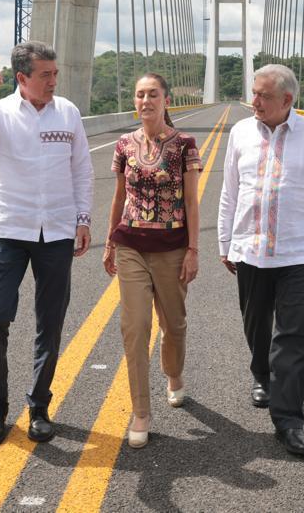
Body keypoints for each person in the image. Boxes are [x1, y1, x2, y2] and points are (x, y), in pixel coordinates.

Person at [0, 41, 93, 446]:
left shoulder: (67, 112)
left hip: (56, 230)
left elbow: (82, 169)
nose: (54, 80)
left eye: (55, 73)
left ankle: (39, 406)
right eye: (46, 75)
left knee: (49, 323)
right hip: (10, 230)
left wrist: (83, 219)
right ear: (22, 78)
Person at [217, 63, 304, 458]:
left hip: (299, 253)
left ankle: (289, 419)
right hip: (250, 250)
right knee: (256, 325)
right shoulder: (240, 133)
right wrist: (225, 241)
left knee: (296, 334)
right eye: (253, 93)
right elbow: (229, 192)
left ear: (287, 100)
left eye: (263, 95)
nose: (254, 101)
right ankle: (262, 374)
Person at [103, 73, 201, 449]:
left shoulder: (185, 146)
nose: (146, 100)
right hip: (131, 245)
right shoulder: (124, 145)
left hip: (172, 247)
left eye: (153, 94)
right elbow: (117, 197)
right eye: (140, 95)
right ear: (135, 101)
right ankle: (141, 411)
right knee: (135, 326)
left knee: (174, 325)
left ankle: (173, 375)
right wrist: (111, 241)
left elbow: (191, 202)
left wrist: (193, 250)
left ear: (166, 101)